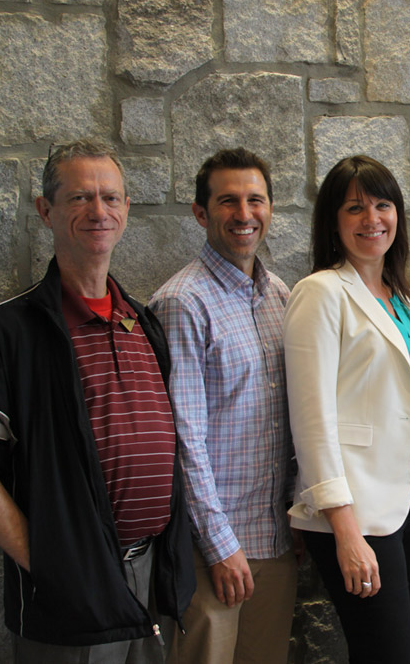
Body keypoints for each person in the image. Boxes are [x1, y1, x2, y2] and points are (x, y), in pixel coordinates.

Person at [0, 139, 195, 661]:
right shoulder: (7, 332)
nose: (99, 211)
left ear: (126, 210)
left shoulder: (143, 324)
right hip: (66, 594)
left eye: (110, 198)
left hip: (150, 579)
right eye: (79, 198)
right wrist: (49, 564)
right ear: (46, 210)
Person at [283, 155, 410, 663]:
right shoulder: (322, 293)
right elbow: (311, 421)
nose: (372, 219)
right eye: (355, 208)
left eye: (382, 204)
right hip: (357, 516)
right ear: (333, 221)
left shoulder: (404, 299)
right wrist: (345, 531)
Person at [149, 148, 297, 663]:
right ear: (200, 212)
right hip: (210, 551)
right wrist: (218, 544)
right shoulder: (182, 302)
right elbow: (181, 437)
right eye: (227, 200)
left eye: (255, 199)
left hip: (274, 541)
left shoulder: (278, 295)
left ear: (270, 209)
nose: (243, 213)